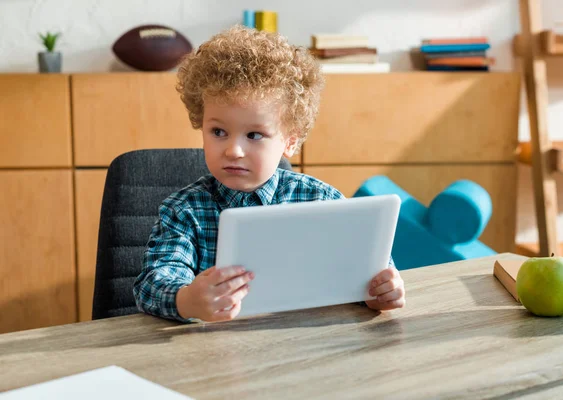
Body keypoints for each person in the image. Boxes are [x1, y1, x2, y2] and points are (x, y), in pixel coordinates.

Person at [132, 25, 405, 323]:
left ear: (289, 140)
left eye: (254, 135)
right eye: (218, 131)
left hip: (306, 346)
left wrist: (383, 290)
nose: (233, 150)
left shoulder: (322, 200)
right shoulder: (184, 210)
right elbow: (151, 284)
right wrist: (187, 300)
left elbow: (370, 271)